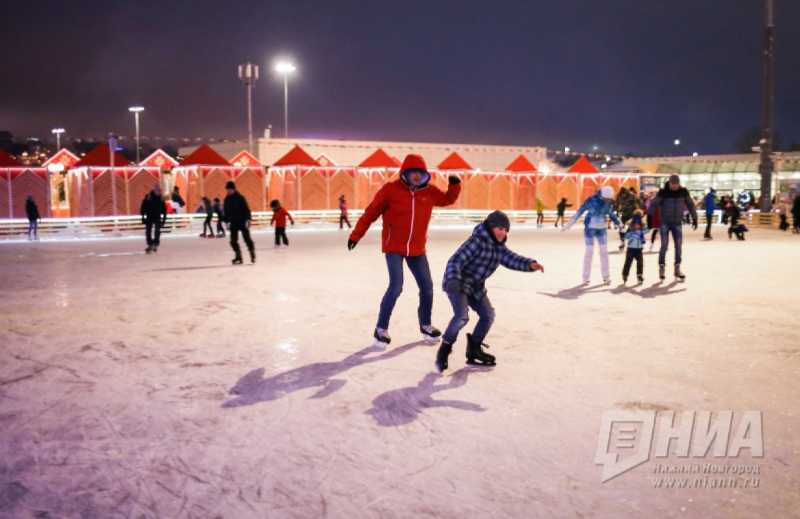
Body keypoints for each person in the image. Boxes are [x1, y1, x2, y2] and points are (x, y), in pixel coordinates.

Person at [348, 153, 461, 348]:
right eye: (412, 172)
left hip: (417, 248)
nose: (416, 175)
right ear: (405, 173)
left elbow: (447, 199)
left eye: (420, 172)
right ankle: (381, 328)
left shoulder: (429, 192)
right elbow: (371, 212)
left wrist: (454, 185)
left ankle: (425, 325)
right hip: (394, 247)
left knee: (427, 287)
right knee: (396, 286)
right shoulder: (390, 190)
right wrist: (356, 235)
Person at [435, 210, 544, 372]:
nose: (503, 233)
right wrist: (453, 279)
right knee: (461, 317)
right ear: (491, 226)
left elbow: (511, 259)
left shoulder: (499, 247)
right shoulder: (477, 241)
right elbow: (456, 259)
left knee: (488, 315)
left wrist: (529, 264)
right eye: (500, 228)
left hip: (475, 286)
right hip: (457, 283)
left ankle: (474, 349)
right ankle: (444, 349)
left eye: (506, 230)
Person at [561, 186, 622, 285]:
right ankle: (586, 277)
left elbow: (611, 214)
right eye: (607, 199)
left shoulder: (609, 202)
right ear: (602, 195)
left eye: (609, 199)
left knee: (604, 252)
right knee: (589, 252)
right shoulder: (591, 200)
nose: (608, 200)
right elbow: (580, 211)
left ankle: (606, 277)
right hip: (590, 228)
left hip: (602, 228)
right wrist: (569, 224)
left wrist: (619, 224)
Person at [648, 174, 697, 281]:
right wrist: (649, 216)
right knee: (664, 245)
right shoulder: (663, 192)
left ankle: (677, 268)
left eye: (676, 183)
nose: (675, 186)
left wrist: (694, 217)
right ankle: (662, 266)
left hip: (677, 222)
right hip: (665, 221)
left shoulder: (683, 192)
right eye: (673, 183)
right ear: (669, 183)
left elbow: (690, 205)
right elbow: (654, 204)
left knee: (678, 245)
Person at [224, 181, 255, 264]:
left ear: (234, 189)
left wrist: (248, 219)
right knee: (233, 241)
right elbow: (226, 212)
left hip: (242, 221)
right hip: (233, 222)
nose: (228, 191)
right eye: (227, 190)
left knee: (247, 239)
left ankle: (252, 254)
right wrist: (226, 222)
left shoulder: (240, 198)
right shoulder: (226, 199)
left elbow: (246, 209)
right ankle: (238, 257)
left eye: (230, 189)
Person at [621, 211, 648, 284]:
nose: (637, 226)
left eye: (638, 224)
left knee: (640, 263)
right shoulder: (630, 232)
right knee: (628, 262)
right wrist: (625, 232)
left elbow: (648, 229)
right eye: (635, 224)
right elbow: (625, 237)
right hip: (631, 249)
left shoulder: (641, 231)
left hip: (639, 249)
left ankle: (639, 275)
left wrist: (649, 219)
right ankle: (625, 275)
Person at [140, 184, 167, 253]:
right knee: (148, 231)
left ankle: (155, 243)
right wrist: (143, 217)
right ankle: (150, 243)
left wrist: (164, 220)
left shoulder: (161, 199)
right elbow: (143, 208)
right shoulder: (148, 197)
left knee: (157, 231)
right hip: (149, 217)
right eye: (158, 191)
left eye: (159, 191)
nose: (159, 193)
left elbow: (164, 210)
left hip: (157, 217)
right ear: (155, 191)